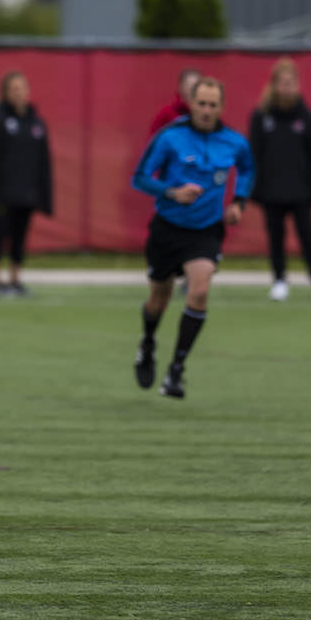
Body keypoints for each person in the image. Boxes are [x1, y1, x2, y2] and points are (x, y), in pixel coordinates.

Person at [130, 76, 252, 400]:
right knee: (159, 299)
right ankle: (148, 343)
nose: (207, 110)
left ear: (222, 107)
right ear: (191, 104)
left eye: (213, 105)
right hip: (168, 228)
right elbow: (140, 177)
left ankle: (176, 371)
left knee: (199, 293)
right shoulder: (170, 137)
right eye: (201, 104)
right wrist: (172, 192)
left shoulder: (234, 142)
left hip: (206, 231)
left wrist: (238, 202)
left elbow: (247, 169)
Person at [248, 58, 311, 303]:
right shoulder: (261, 116)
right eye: (283, 83)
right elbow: (253, 155)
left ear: (298, 85)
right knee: (275, 237)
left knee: (307, 236)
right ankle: (279, 281)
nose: (287, 87)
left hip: (300, 192)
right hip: (271, 191)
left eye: (291, 82)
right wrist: (254, 188)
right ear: (274, 85)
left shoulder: (306, 117)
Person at [0, 71, 54, 297]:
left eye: (22, 88)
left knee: (20, 238)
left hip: (27, 193)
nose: (19, 93)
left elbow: (43, 162)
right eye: (14, 89)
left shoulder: (36, 123)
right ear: (5, 93)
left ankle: (15, 279)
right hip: (3, 194)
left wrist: (44, 195)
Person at [151, 69, 203, 135]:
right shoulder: (167, 114)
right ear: (181, 87)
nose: (193, 90)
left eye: (197, 86)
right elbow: (154, 141)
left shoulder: (207, 113)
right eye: (190, 86)